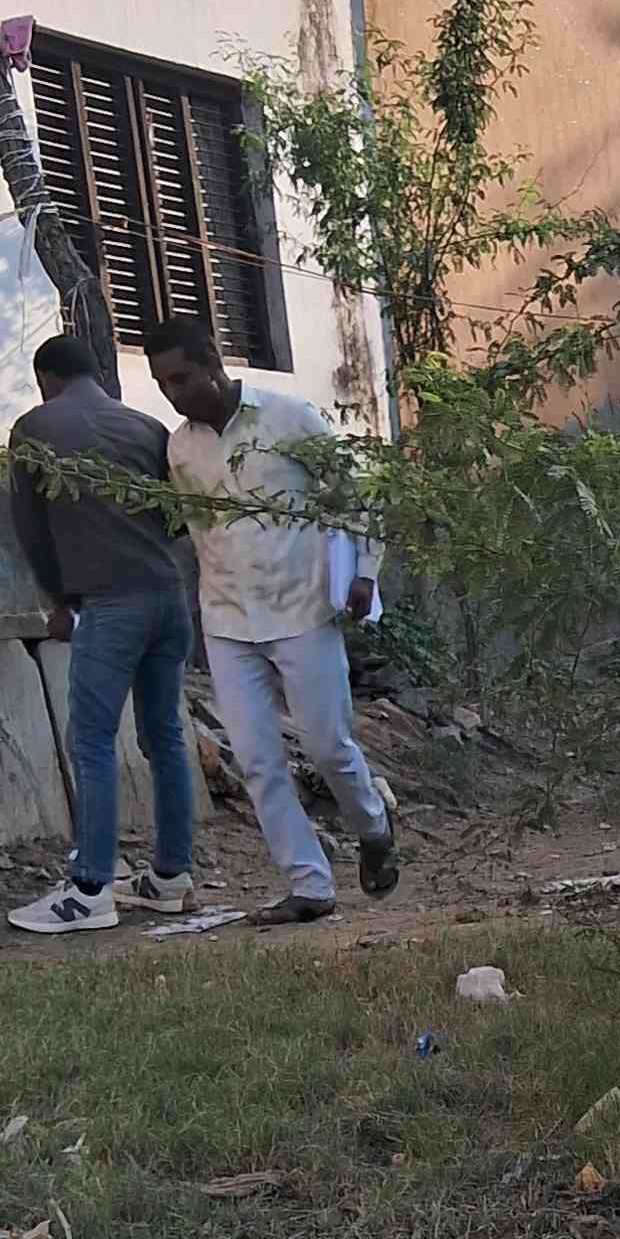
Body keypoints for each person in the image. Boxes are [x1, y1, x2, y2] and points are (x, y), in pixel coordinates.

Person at [147, 311, 399, 925]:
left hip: (302, 609)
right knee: (258, 761)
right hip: (227, 619)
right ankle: (309, 883)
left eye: (181, 379)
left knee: (327, 745)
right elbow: (198, 529)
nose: (174, 395)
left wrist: (365, 572)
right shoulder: (180, 447)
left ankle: (373, 826)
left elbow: (356, 493)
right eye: (162, 385)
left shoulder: (290, 417)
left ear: (212, 361)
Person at [3, 332, 200, 935]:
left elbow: (32, 530)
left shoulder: (35, 428)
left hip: (111, 605)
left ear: (46, 379)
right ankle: (171, 877)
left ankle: (90, 889)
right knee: (165, 736)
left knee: (91, 739)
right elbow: (175, 518)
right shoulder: (147, 428)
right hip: (169, 597)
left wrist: (60, 601)